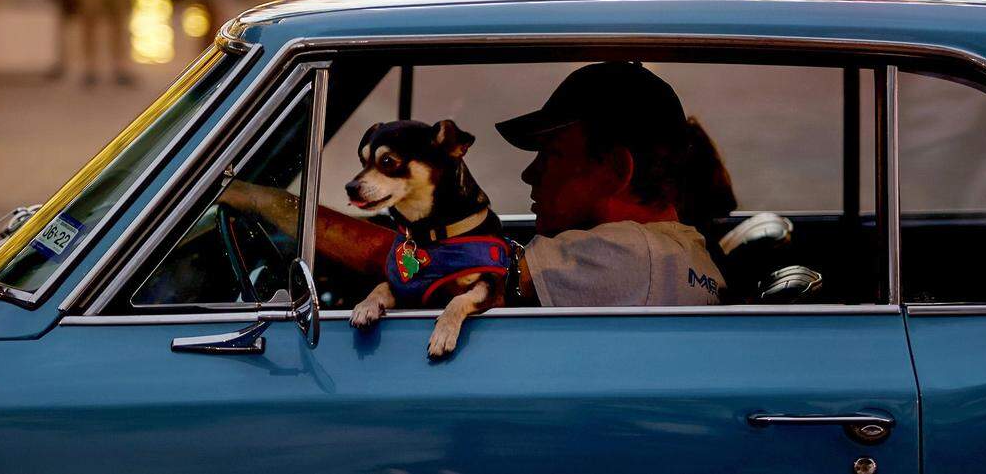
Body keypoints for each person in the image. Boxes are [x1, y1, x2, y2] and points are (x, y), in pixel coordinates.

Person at [222, 62, 737, 306]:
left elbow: (426, 265)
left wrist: (256, 197)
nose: (529, 173)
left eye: (552, 157)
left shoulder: (630, 255)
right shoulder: (670, 251)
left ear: (617, 170)